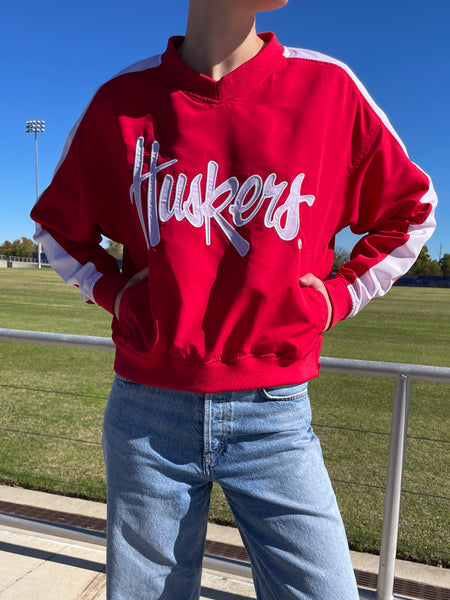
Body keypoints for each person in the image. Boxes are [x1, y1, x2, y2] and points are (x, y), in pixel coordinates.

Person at [30, 0, 437, 598]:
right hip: (148, 412)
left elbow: (415, 210)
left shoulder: (327, 87)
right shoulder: (123, 101)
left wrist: (338, 297)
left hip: (274, 411)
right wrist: (115, 294)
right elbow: (56, 227)